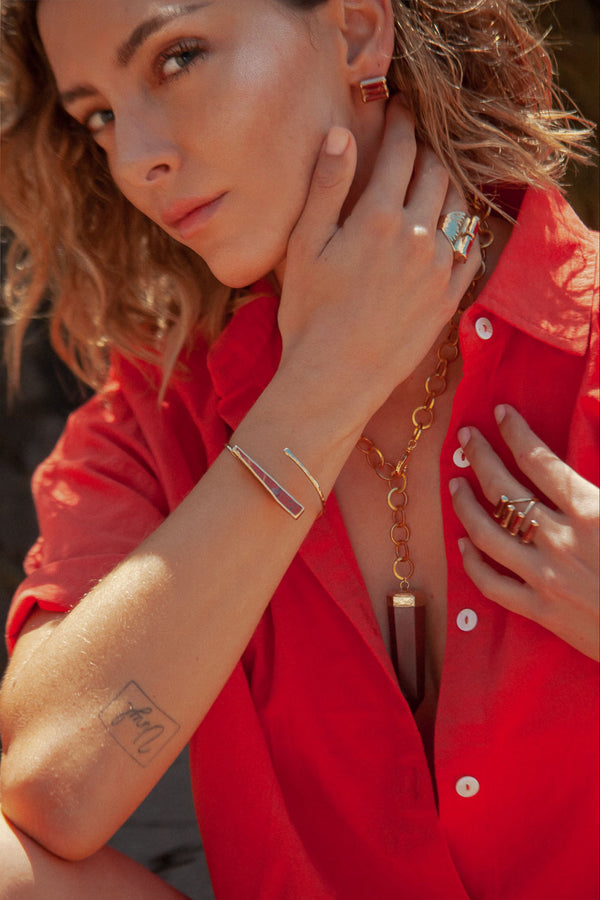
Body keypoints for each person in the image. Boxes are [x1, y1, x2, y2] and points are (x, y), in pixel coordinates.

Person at [0, 0, 598, 897]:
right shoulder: (153, 420)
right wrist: (319, 394)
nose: (135, 158)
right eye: (99, 115)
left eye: (177, 57)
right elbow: (55, 784)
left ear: (356, 29)